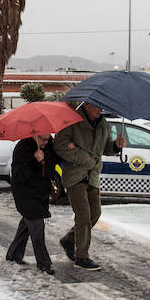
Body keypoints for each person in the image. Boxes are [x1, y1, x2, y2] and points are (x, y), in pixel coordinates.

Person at [53, 103, 126, 271]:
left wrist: (116, 145)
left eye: (102, 106)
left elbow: (106, 147)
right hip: (75, 175)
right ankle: (82, 257)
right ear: (86, 104)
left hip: (92, 174)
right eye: (97, 106)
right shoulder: (72, 120)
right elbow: (60, 146)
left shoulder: (103, 123)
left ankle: (69, 240)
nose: (100, 109)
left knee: (95, 213)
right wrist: (83, 157)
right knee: (83, 215)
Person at [6, 134, 58, 275]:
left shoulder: (49, 146)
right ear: (35, 135)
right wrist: (34, 160)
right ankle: (44, 263)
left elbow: (53, 164)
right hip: (25, 193)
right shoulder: (22, 148)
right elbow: (19, 175)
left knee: (27, 223)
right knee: (37, 225)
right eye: (42, 139)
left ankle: (14, 254)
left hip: (40, 194)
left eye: (48, 139)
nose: (46, 142)